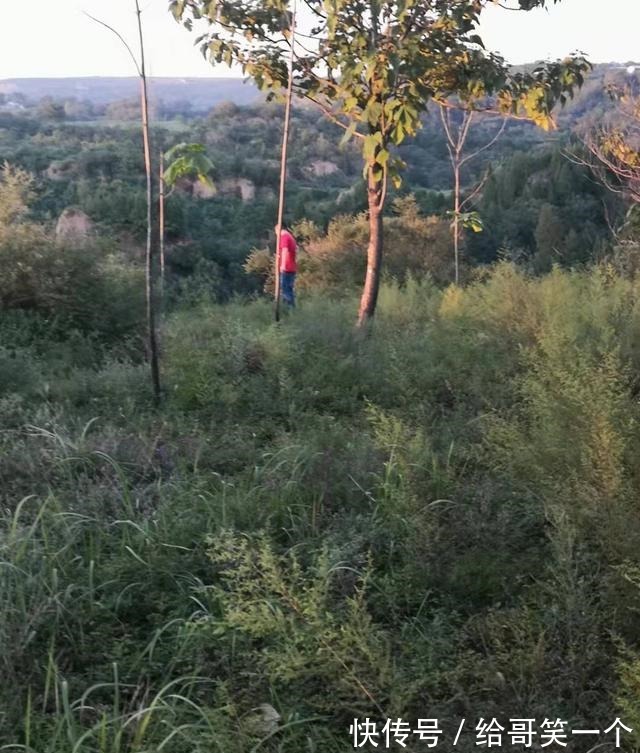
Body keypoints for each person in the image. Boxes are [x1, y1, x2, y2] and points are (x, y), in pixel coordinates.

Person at [276, 222, 297, 308]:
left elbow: (284, 250)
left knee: (286, 291)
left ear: (278, 229)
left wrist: (283, 265)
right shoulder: (291, 237)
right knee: (289, 290)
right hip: (291, 268)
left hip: (287, 268)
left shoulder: (284, 237)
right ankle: (290, 311)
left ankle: (288, 311)